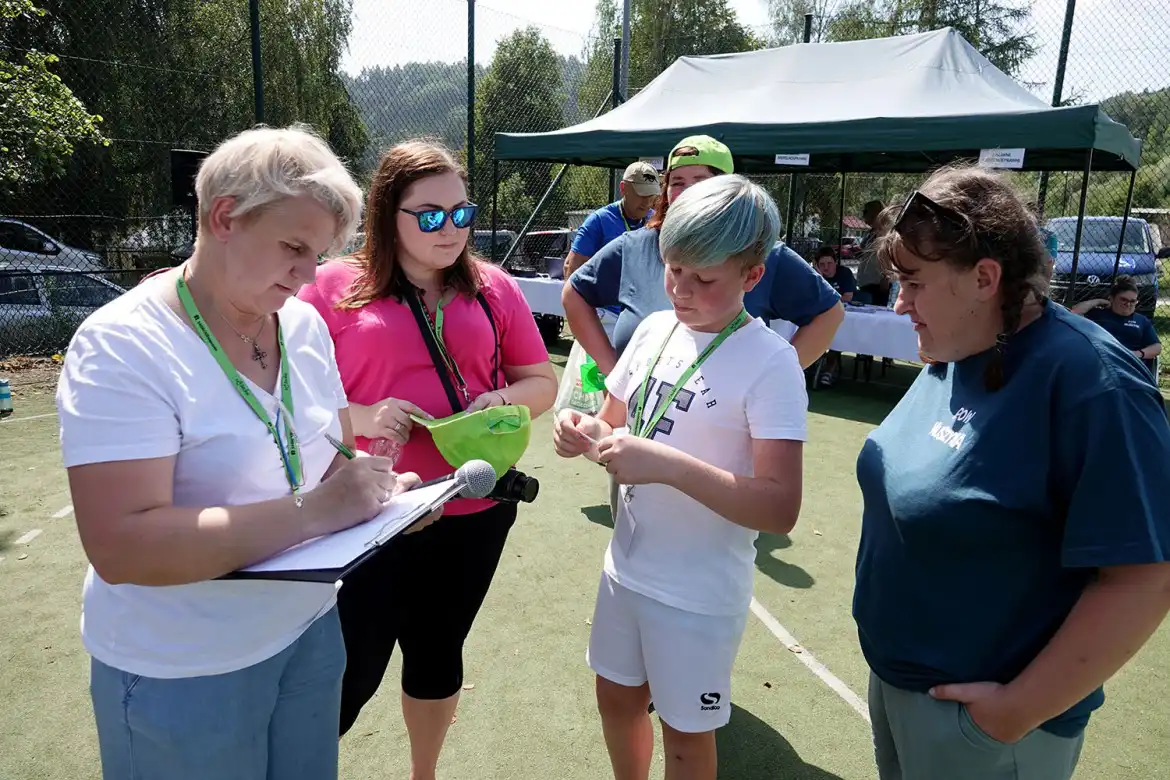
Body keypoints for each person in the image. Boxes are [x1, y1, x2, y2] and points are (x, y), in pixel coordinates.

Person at [55, 125, 432, 780]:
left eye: (319, 253)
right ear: (224, 216)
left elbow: (320, 452)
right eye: (294, 246)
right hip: (183, 664)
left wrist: (378, 501)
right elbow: (120, 544)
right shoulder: (123, 345)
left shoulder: (304, 323)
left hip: (308, 633)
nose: (310, 273)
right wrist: (318, 511)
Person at [854, 164, 1170, 780]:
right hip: (902, 685)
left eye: (914, 283)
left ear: (984, 278)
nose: (900, 304)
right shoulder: (958, 344)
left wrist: (1008, 716)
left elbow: (1144, 580)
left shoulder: (1091, 381)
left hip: (987, 728)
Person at [297, 140, 557, 779]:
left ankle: (424, 774)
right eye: (431, 215)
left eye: (462, 213)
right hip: (368, 509)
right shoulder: (330, 288)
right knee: (348, 668)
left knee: (438, 653)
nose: (452, 230)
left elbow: (541, 382)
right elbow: (284, 403)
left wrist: (501, 399)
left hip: (472, 505)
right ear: (389, 216)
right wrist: (359, 416)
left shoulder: (493, 287)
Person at [553, 175, 807, 780]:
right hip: (626, 567)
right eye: (673, 271)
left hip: (698, 593)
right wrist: (579, 432)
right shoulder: (651, 330)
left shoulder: (772, 364)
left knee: (687, 737)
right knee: (615, 700)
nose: (682, 290)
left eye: (705, 279)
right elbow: (610, 426)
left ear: (752, 275)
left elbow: (780, 509)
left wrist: (666, 466)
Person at [562, 135, 843, 378]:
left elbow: (829, 313)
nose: (688, 192)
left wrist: (780, 376)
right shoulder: (634, 247)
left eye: (701, 181)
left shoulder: (764, 255)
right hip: (636, 424)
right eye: (678, 182)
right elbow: (574, 293)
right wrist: (614, 372)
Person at [563, 161, 661, 279]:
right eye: (642, 194)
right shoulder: (599, 221)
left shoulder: (656, 221)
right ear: (623, 188)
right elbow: (571, 267)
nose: (647, 202)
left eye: (652, 195)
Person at [1071, 275, 1161, 375]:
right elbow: (1075, 311)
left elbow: (1156, 347)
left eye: (1133, 301)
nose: (1128, 304)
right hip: (1100, 362)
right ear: (1112, 298)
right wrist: (1099, 301)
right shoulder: (1098, 314)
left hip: (1129, 365)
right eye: (1123, 300)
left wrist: (1137, 354)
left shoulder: (1141, 321)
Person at [812, 246, 856, 387]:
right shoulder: (814, 276)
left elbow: (847, 297)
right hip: (818, 317)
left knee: (837, 337)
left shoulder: (845, 273)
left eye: (829, 263)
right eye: (822, 265)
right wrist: (818, 276)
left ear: (835, 263)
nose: (826, 268)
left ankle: (829, 371)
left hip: (839, 317)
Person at [854, 199, 889, 306]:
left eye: (865, 212)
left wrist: (885, 277)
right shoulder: (871, 232)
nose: (863, 216)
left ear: (875, 213)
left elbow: (888, 255)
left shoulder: (885, 232)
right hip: (867, 279)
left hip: (878, 281)